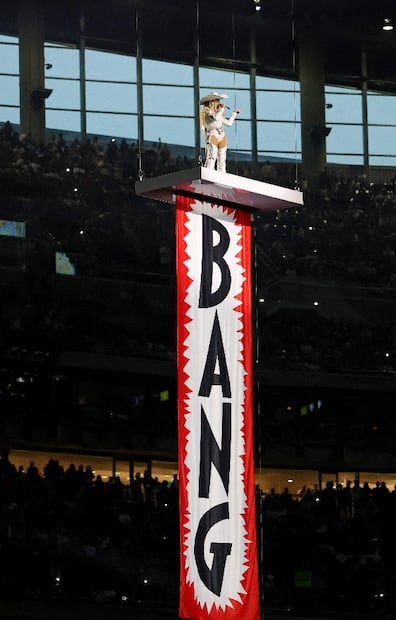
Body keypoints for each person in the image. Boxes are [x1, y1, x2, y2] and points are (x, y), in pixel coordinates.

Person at [199, 91, 240, 172]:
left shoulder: (220, 114)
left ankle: (222, 175)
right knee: (211, 156)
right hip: (212, 134)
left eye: (219, 101)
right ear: (212, 102)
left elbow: (229, 123)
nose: (219, 103)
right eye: (217, 101)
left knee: (222, 158)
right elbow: (215, 117)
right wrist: (221, 110)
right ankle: (209, 174)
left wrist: (234, 114)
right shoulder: (207, 112)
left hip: (222, 135)